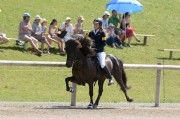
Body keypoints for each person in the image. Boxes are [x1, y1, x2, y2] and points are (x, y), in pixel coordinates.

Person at [89, 18, 114, 86]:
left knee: (102, 64)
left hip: (100, 51)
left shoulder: (102, 33)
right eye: (94, 24)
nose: (95, 25)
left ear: (99, 25)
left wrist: (96, 49)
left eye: (96, 24)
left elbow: (104, 44)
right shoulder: (91, 33)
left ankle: (110, 78)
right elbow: (88, 42)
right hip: (92, 51)